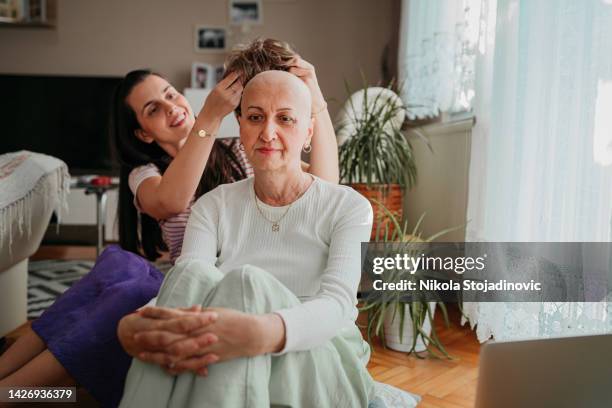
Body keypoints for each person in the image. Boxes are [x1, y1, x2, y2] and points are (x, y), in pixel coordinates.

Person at [0, 38, 338, 408]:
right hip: (184, 284)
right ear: (144, 133)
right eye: (153, 109)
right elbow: (172, 200)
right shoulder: (144, 173)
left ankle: (10, 394)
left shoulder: (240, 149)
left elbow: (324, 187)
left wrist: (314, 98)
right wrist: (208, 116)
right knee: (121, 264)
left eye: (171, 95)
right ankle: (7, 377)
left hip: (225, 288)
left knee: (128, 290)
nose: (172, 107)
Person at [117, 70, 375, 407]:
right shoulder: (212, 205)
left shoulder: (349, 206)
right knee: (194, 274)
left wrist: (258, 332)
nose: (268, 132)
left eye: (285, 118)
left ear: (308, 132)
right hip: (222, 337)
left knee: (247, 283)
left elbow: (339, 306)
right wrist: (136, 326)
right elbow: (186, 284)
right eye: (255, 117)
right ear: (240, 129)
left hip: (321, 353)